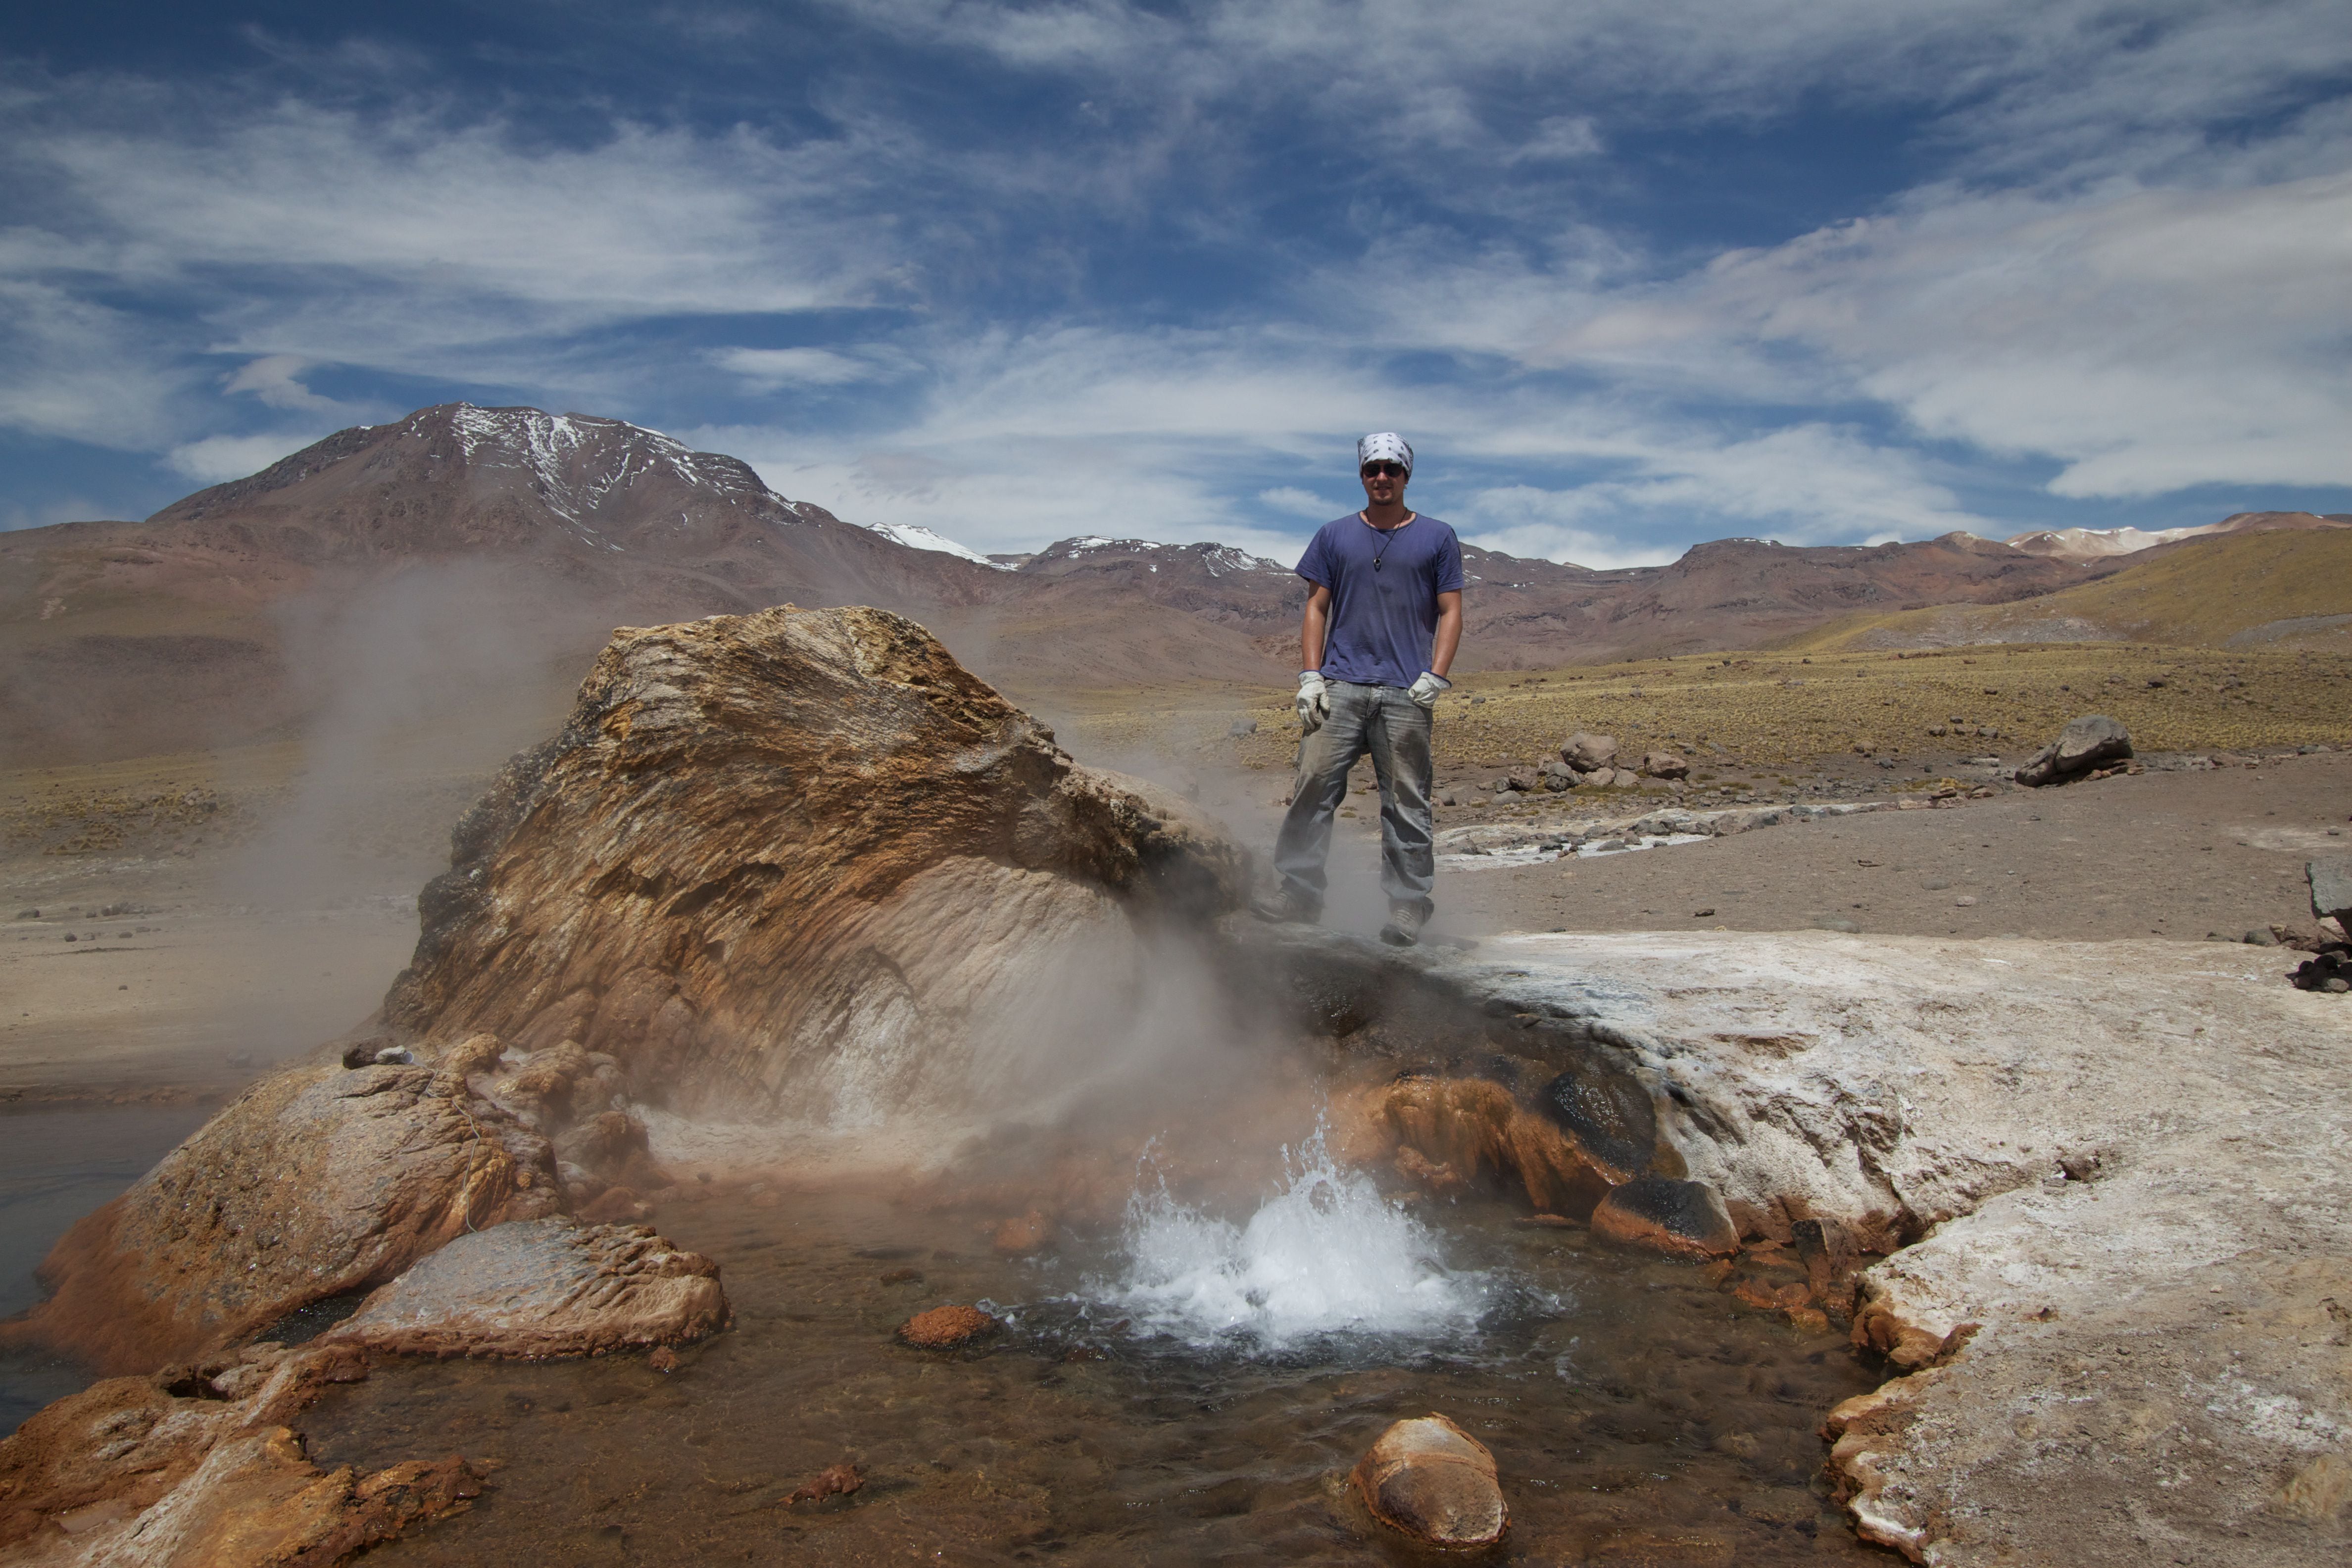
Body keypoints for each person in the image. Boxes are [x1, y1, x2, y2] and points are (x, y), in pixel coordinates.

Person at [1251, 432, 1463, 945]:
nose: (1382, 478)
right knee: (1313, 788)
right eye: (1373, 469)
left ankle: (1409, 906)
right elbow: (1315, 607)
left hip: (1406, 693)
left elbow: (1451, 610)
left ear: (1407, 475)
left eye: (1392, 469)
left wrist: (1435, 675)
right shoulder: (1334, 535)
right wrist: (1310, 675)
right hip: (1341, 686)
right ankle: (1299, 892)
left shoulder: (1437, 537)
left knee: (1407, 801)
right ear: (1362, 475)